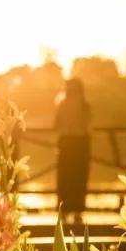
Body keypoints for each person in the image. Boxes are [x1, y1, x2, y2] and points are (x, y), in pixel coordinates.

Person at [54, 78, 91, 216]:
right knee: (69, 178)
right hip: (72, 143)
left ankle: (73, 210)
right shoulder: (64, 104)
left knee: (75, 177)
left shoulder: (82, 105)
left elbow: (87, 123)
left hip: (76, 143)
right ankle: (68, 210)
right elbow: (56, 123)